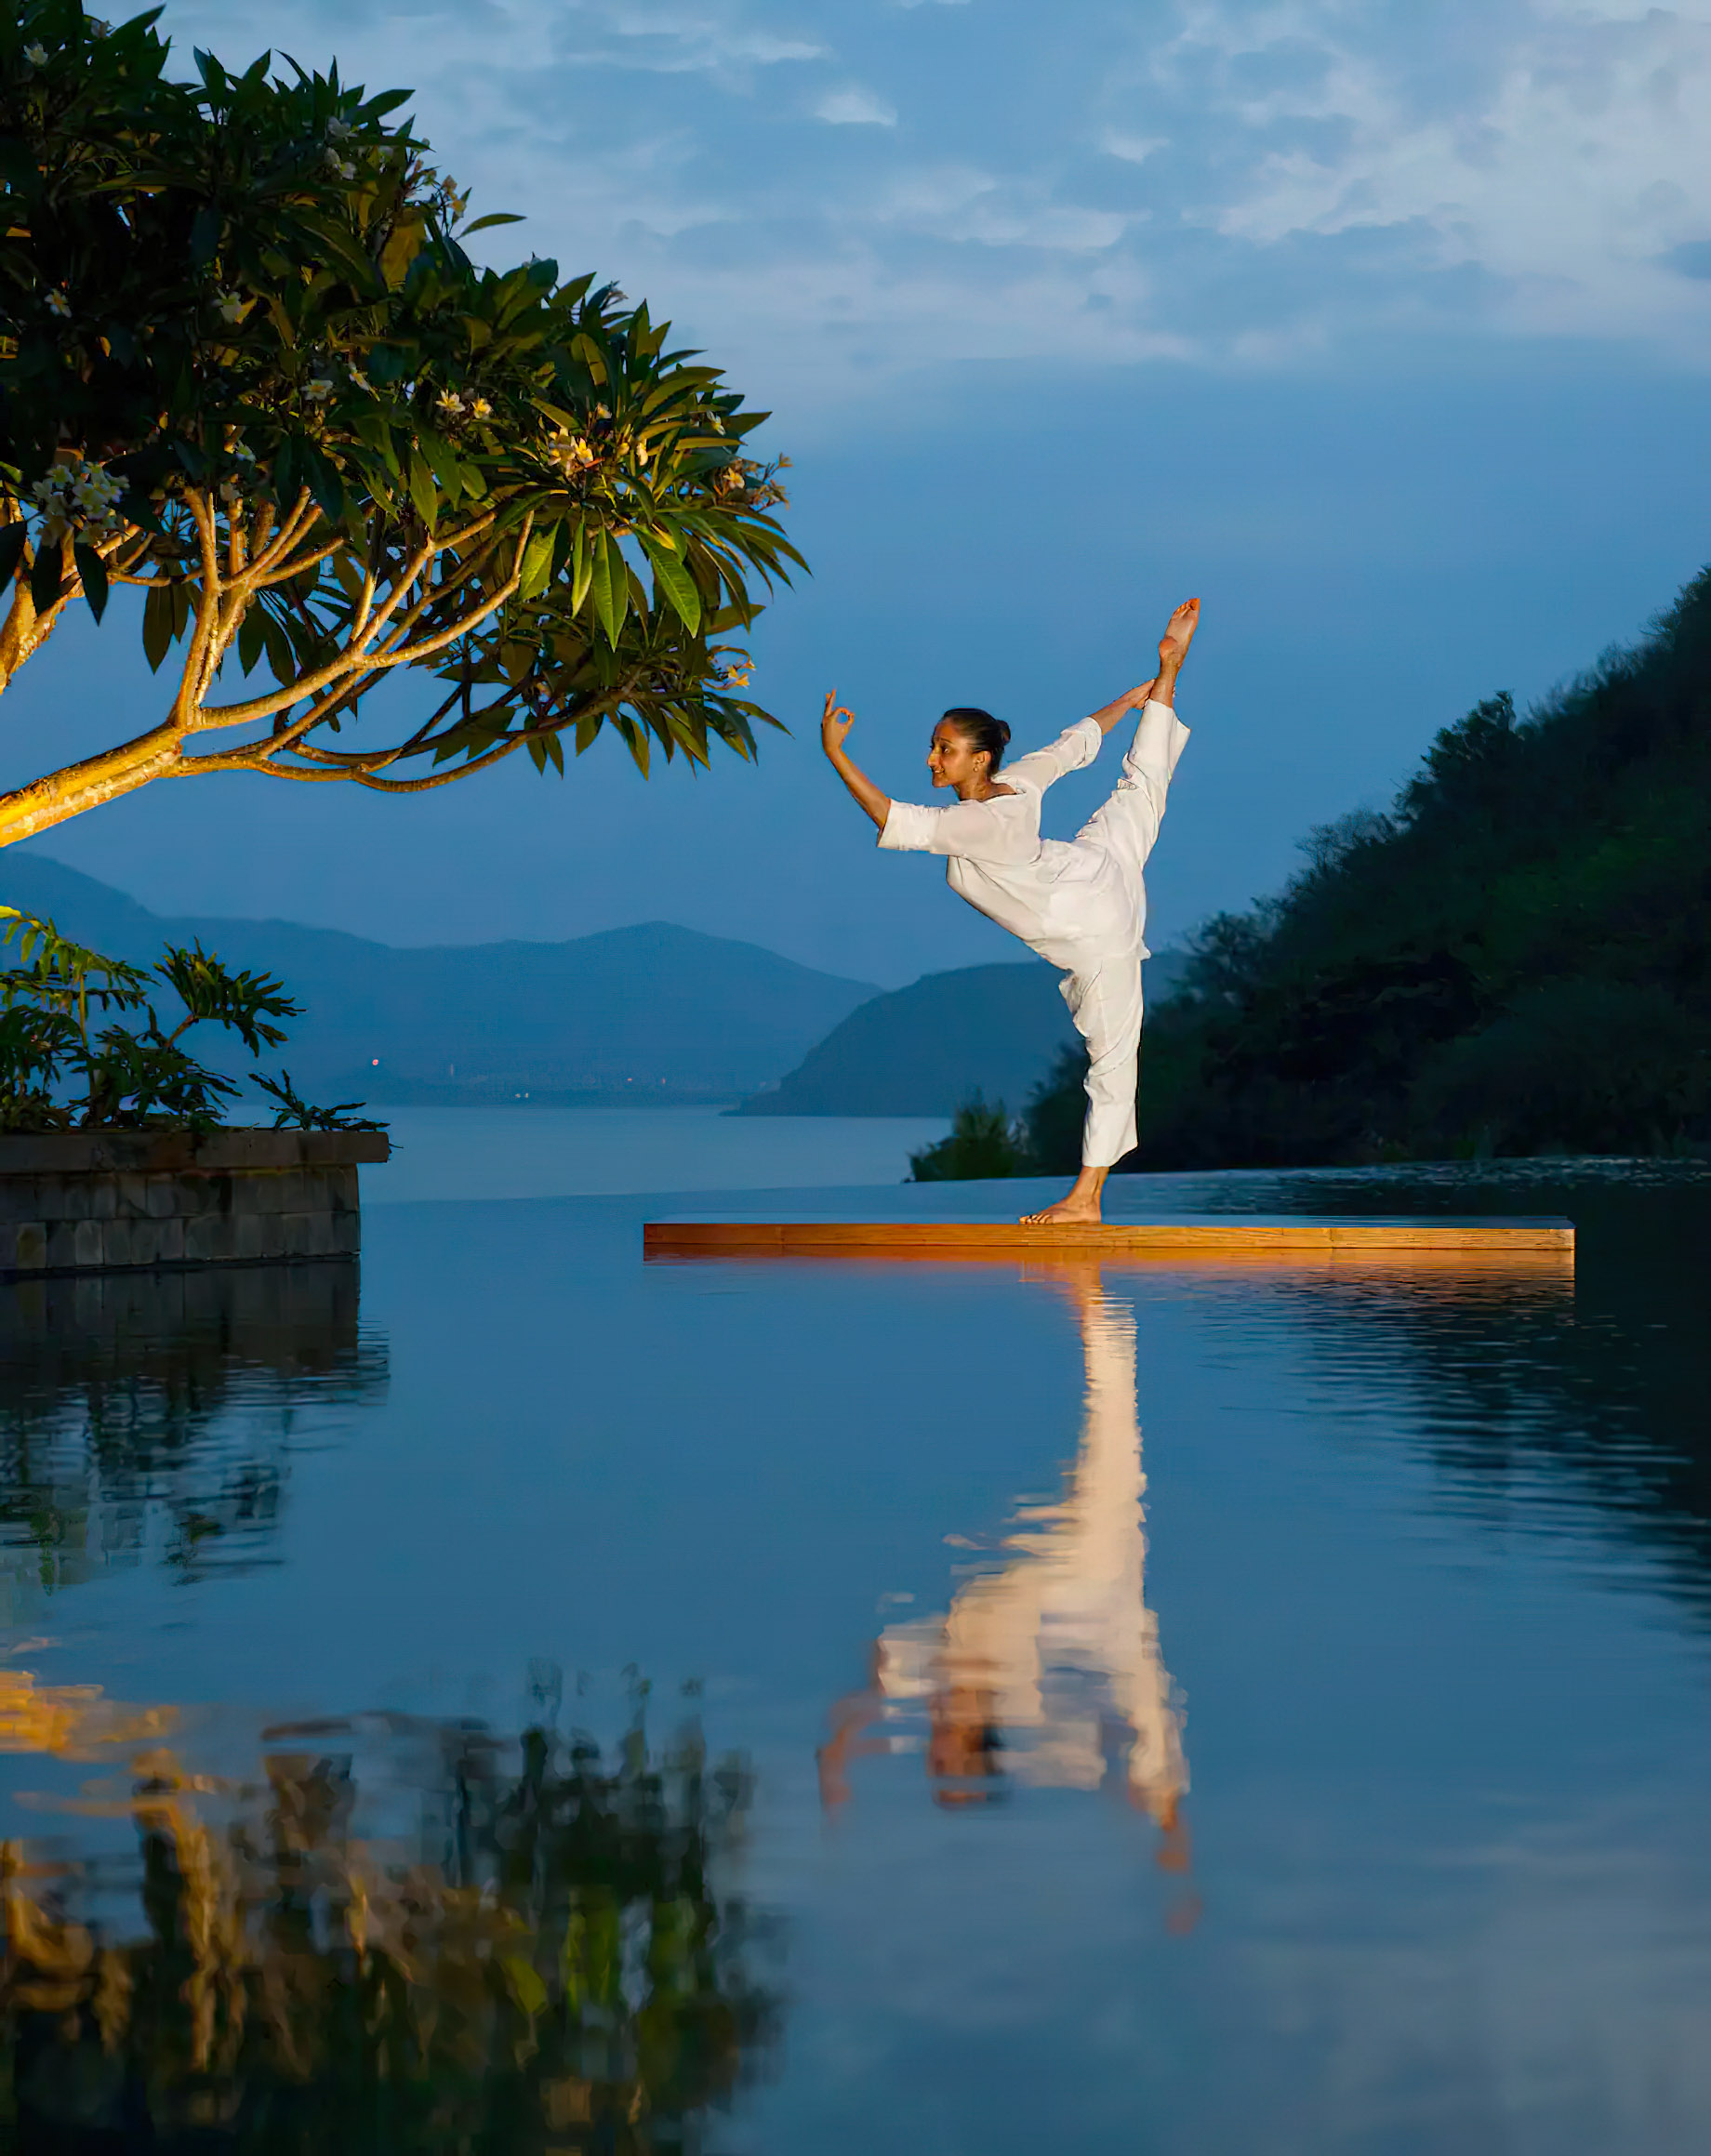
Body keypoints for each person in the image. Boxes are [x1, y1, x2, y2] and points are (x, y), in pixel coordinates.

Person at [820, 598, 1200, 1224]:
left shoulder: (976, 824)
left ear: (979, 759)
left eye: (944, 749)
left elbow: (891, 817)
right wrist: (1138, 697)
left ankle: (1085, 1201)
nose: (931, 759)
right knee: (1142, 786)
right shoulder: (1016, 783)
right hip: (1097, 866)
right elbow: (1075, 745)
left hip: (1094, 926)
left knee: (1113, 1062)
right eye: (933, 747)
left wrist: (835, 752)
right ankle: (1172, 673)